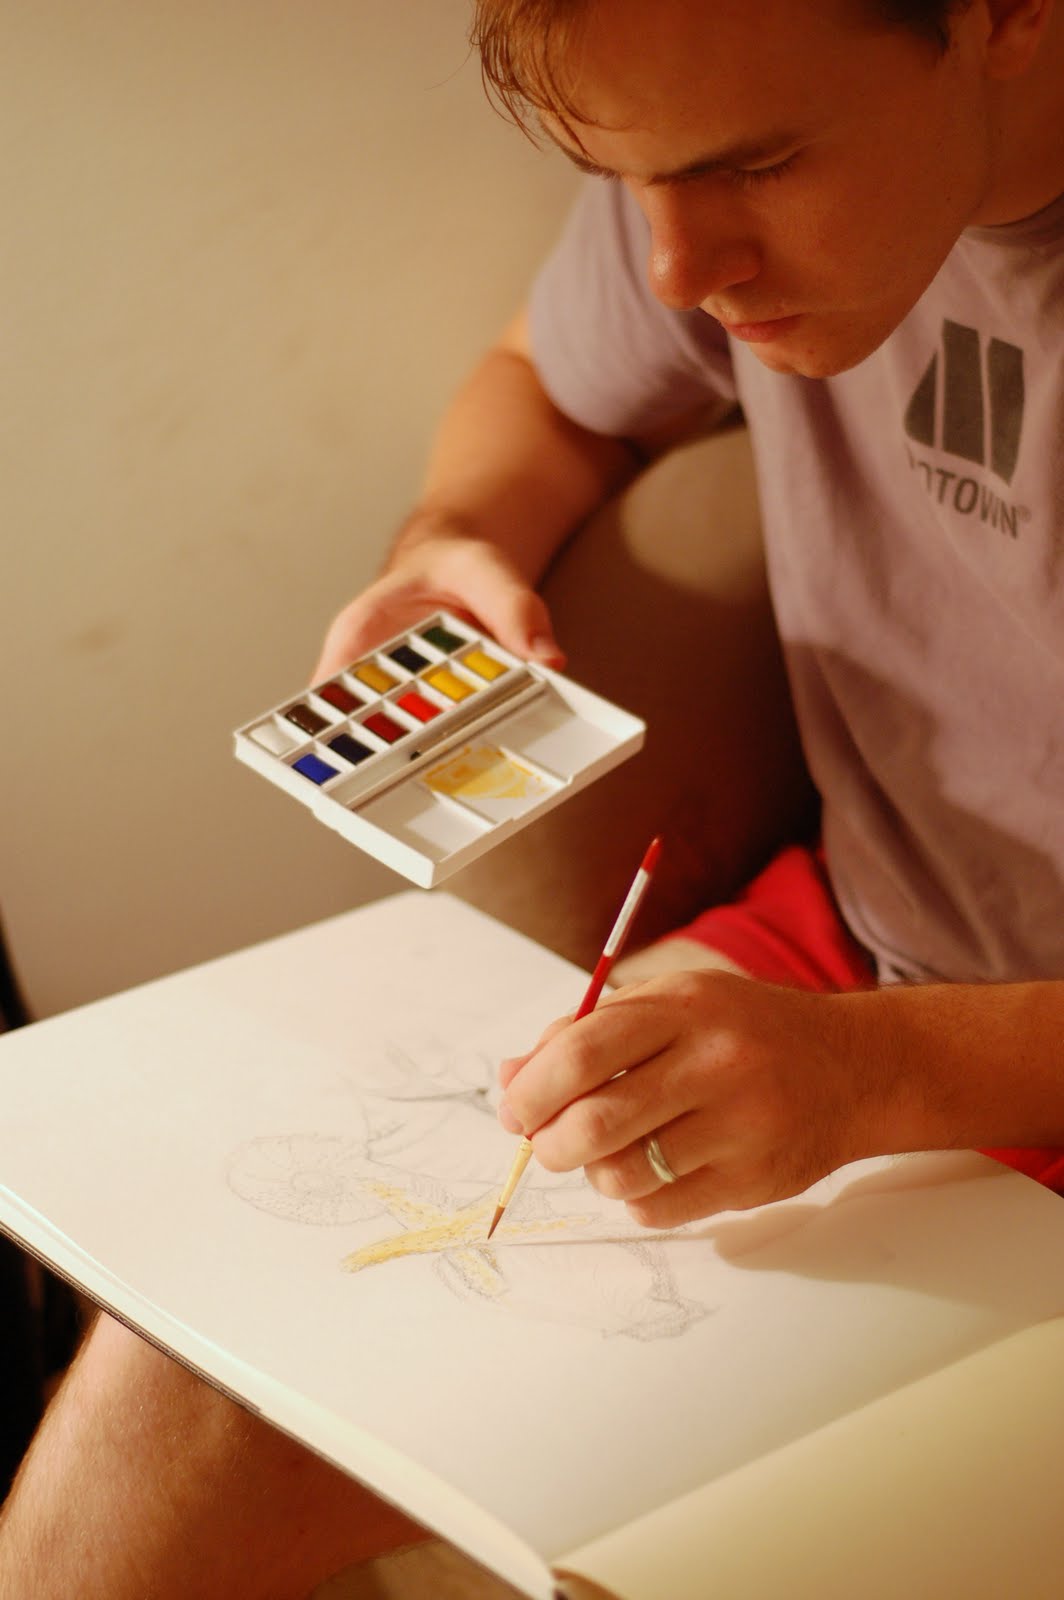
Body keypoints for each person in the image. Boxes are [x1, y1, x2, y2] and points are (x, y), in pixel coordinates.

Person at [3, 1, 1064, 1595]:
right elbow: (546, 384)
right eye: (623, 183)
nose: (676, 271)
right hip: (845, 959)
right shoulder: (711, 147)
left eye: (758, 167)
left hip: (938, 1055)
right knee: (196, 1381)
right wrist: (460, 534)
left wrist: (880, 1078)